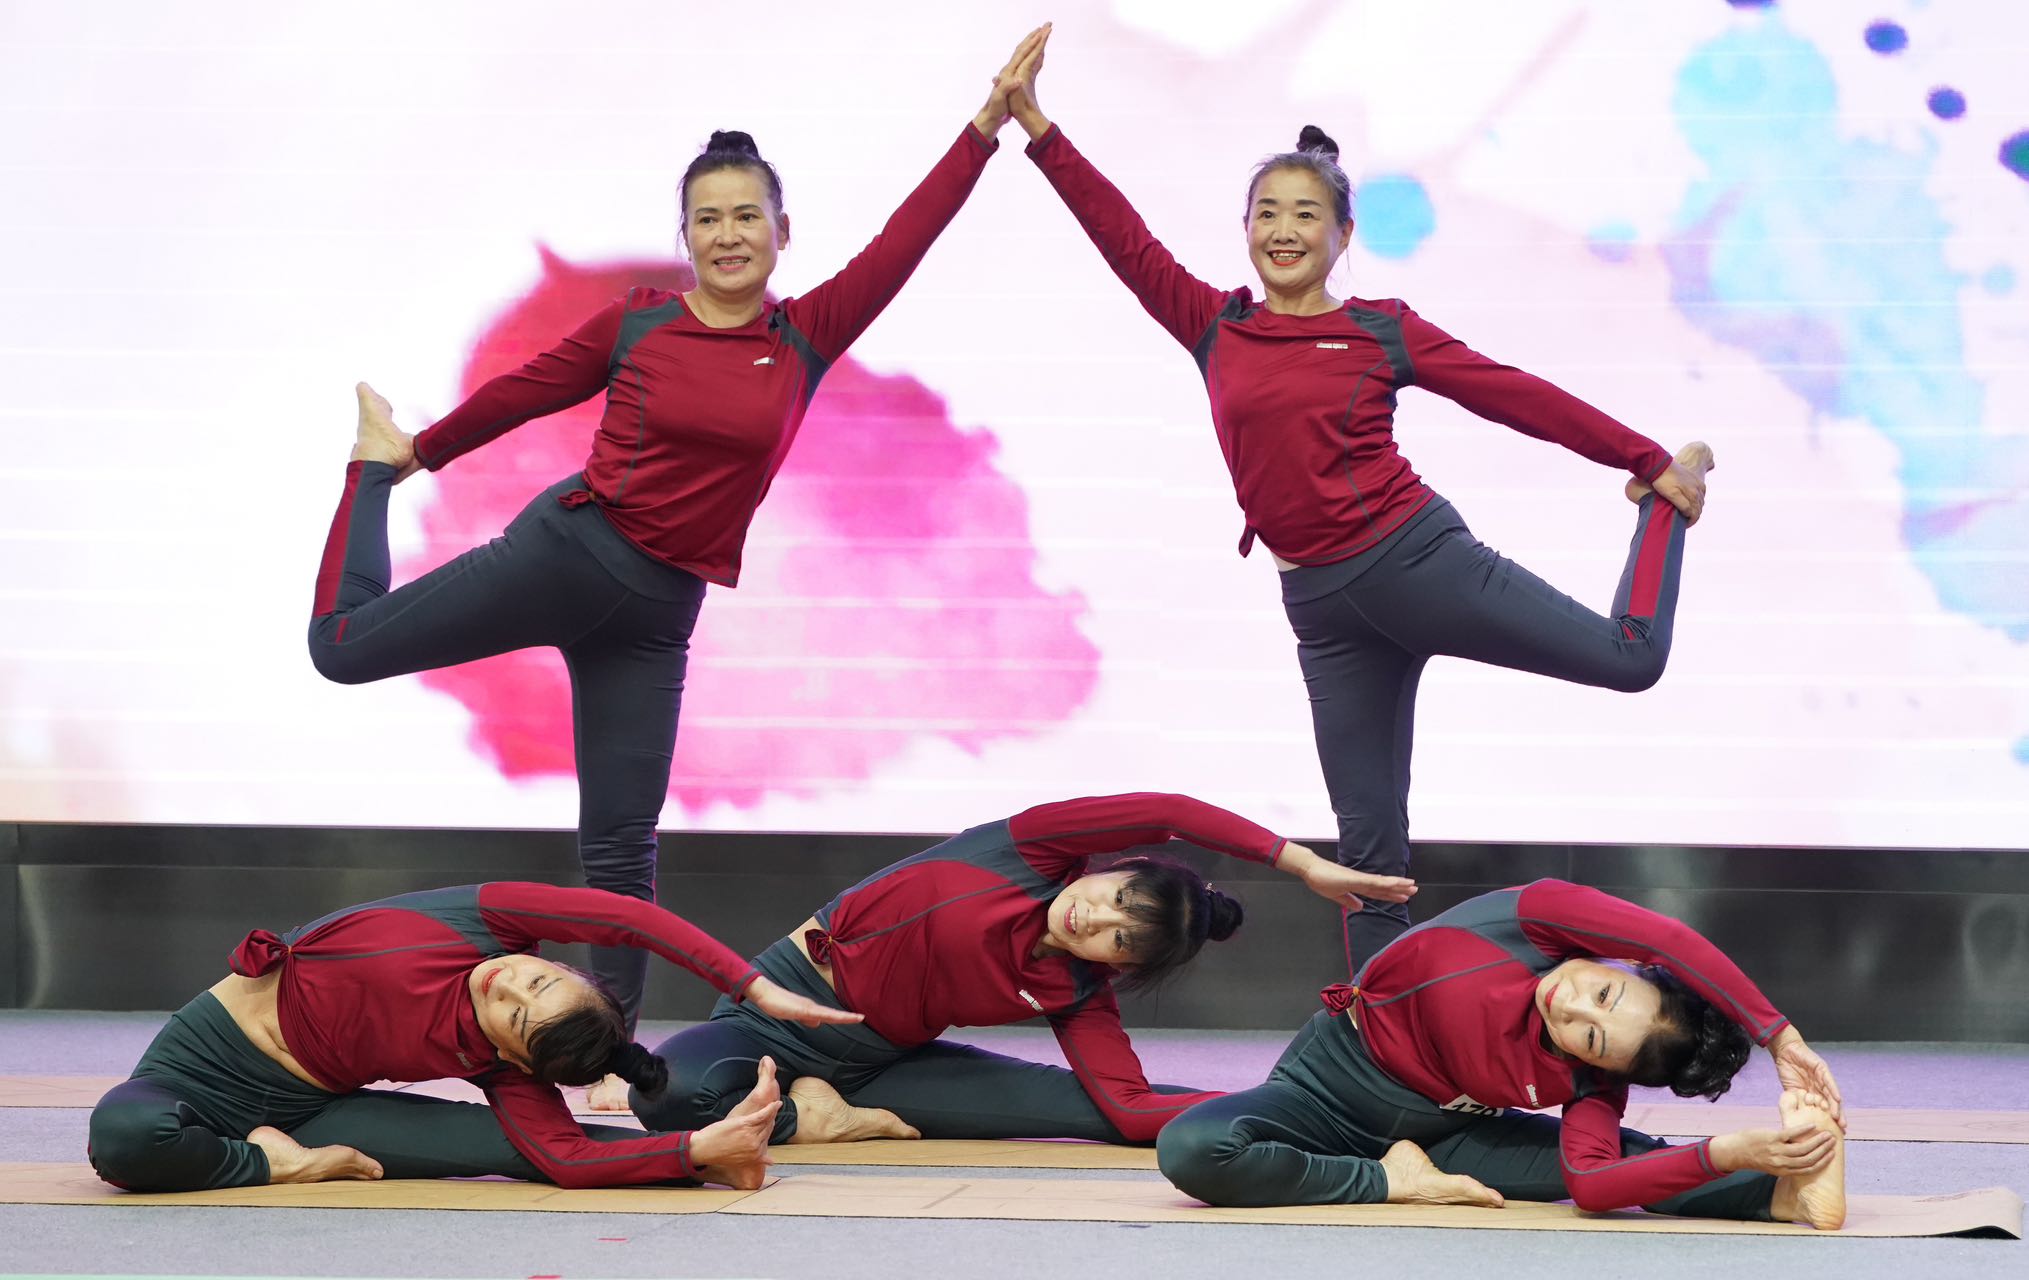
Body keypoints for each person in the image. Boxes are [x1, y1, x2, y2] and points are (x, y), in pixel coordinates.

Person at [305, 26, 1052, 1107]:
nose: (728, 234)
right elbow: (530, 388)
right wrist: (416, 454)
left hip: (656, 616)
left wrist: (984, 126)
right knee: (341, 650)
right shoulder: (640, 325)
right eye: (708, 218)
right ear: (686, 236)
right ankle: (364, 472)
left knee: (620, 848)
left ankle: (604, 1055)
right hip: (565, 555)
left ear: (782, 233)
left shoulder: (804, 336)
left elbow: (907, 238)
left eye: (747, 216)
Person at [1001, 47, 1714, 971]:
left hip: (1419, 565)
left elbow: (1510, 393)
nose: (1283, 230)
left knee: (1628, 660)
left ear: (1343, 234)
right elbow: (1122, 237)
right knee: (1369, 859)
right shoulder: (1216, 326)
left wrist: (1644, 460)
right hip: (1325, 618)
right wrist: (1037, 128)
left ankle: (1666, 505)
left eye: (1306, 214)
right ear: (1245, 230)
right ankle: (1381, 1031)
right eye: (1266, 213)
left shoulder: (1379, 330)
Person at [632, 792, 1415, 1146]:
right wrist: (1297, 861)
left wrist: (1313, 1114)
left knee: (1096, 1114)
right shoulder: (1024, 851)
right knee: (670, 1095)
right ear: (1111, 868)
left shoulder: (1076, 990)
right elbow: (1169, 811)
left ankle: (1348, 1117)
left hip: (882, 1067)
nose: (1094, 920)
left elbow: (1130, 1108)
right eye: (1114, 898)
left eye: (1118, 940)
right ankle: (814, 1122)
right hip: (770, 1018)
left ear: (1119, 967)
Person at [1153, 878, 1849, 1229]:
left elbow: (1591, 1185)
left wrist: (1727, 1153)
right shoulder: (1532, 921)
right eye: (1604, 993)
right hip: (1322, 1092)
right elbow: (1667, 937)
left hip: (1448, 1136)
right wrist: (1778, 1036)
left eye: (1592, 1038)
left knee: (1622, 1162)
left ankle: (1782, 1194)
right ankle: (1389, 1179)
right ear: (1626, 965)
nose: (1571, 1007)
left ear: (1601, 1065)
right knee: (1192, 1148)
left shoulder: (1589, 1080)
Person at [85, 881, 859, 1192]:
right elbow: (627, 918)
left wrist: (693, 1149)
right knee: (125, 1139)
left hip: (318, 1111)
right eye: (538, 979)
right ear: (558, 964)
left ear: (512, 1054)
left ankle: (716, 1149)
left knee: (522, 1152)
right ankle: (273, 1165)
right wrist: (752, 985)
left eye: (517, 1014)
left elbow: (563, 1156)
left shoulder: (501, 1065)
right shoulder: (481, 924)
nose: (506, 984)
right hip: (199, 1070)